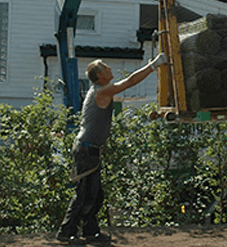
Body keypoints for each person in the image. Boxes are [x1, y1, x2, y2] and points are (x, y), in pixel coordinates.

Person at [56, 53, 167, 243]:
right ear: (100, 76)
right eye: (106, 68)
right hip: (86, 149)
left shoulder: (100, 91)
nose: (110, 69)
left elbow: (127, 93)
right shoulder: (101, 91)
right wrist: (153, 65)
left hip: (89, 149)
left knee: (95, 195)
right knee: (83, 194)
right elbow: (130, 82)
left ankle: (90, 231)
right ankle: (66, 233)